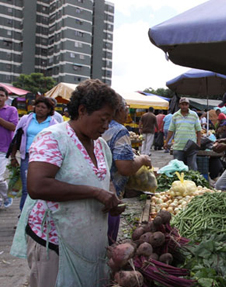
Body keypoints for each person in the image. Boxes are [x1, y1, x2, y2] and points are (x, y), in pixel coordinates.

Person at [10, 79, 123, 287]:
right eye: (103, 119)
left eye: (109, 120)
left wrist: (110, 196)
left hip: (89, 240)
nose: (106, 126)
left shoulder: (101, 145)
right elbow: (37, 186)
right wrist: (95, 193)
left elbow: (103, 179)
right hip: (54, 241)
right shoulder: (53, 138)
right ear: (82, 110)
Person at [102, 95, 152, 245]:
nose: (127, 114)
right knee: (106, 243)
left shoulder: (96, 126)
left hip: (94, 192)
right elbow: (125, 167)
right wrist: (142, 159)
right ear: (119, 110)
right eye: (126, 110)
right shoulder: (119, 130)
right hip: (110, 196)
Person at [10, 97, 59, 211]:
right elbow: (16, 138)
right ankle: (23, 217)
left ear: (49, 110)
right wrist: (13, 156)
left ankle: (36, 215)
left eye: (43, 107)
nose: (40, 109)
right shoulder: (26, 119)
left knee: (40, 188)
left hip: (44, 159)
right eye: (38, 106)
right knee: (27, 188)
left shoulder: (53, 123)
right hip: (27, 157)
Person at [164, 98, 202, 170]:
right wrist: (166, 142)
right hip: (178, 146)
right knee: (178, 168)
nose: (184, 106)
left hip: (191, 146)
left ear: (188, 105)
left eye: (186, 104)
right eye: (182, 104)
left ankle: (191, 181)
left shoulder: (194, 115)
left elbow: (199, 130)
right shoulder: (175, 115)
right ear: (179, 105)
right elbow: (171, 130)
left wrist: (198, 144)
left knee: (192, 168)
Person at [0, 86, 18, 208]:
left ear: (6, 97)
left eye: (1, 95)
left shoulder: (11, 110)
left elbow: (13, 127)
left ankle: (6, 197)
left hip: (4, 149)